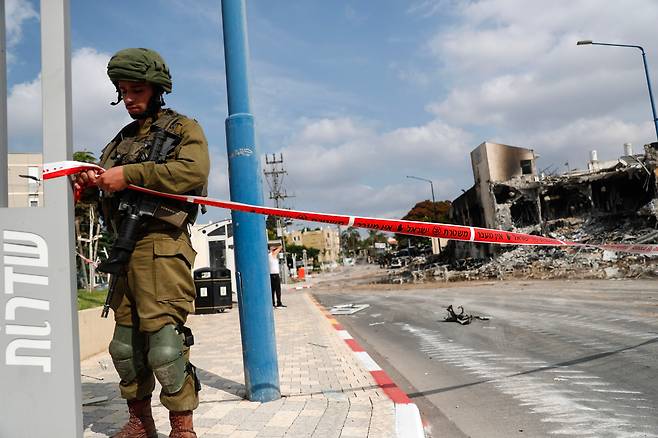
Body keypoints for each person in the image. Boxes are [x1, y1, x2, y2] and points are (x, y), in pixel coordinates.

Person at [74, 48, 209, 438]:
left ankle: (183, 429)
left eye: (136, 89)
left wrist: (129, 174)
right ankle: (140, 423)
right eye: (123, 90)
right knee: (124, 349)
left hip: (162, 248)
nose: (129, 97)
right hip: (125, 251)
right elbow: (107, 188)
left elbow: (193, 172)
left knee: (166, 349)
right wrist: (90, 187)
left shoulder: (183, 129)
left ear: (156, 89)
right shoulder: (118, 143)